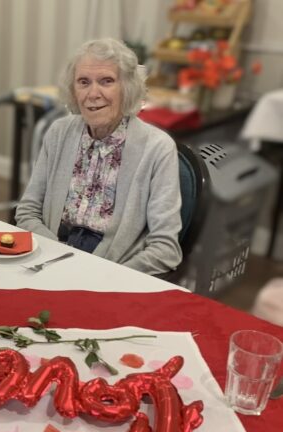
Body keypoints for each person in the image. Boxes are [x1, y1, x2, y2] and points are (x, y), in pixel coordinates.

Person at [15, 38, 182, 276]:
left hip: (114, 273)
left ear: (126, 88)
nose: (93, 94)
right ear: (73, 90)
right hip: (49, 259)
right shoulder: (58, 133)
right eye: (84, 82)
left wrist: (105, 278)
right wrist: (57, 258)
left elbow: (165, 249)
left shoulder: (158, 149)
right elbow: (28, 211)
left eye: (106, 81)